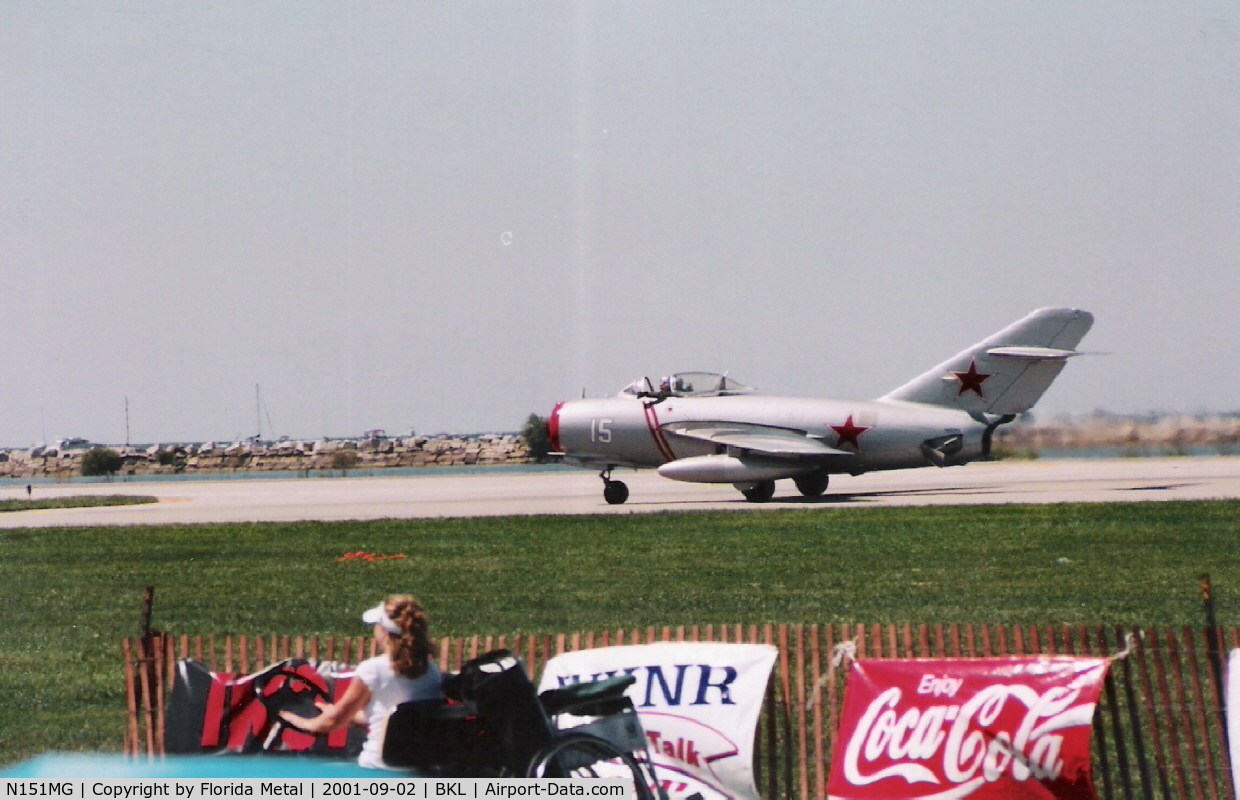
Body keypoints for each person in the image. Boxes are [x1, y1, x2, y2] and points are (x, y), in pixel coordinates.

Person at [281, 595, 442, 768]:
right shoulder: (431, 671)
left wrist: (302, 722)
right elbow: (394, 716)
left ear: (383, 630)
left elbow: (333, 722)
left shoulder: (373, 670)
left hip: (376, 767)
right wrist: (337, 712)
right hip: (420, 768)